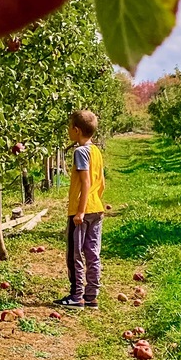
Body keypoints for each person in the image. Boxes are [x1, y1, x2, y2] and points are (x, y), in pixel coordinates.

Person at [55, 109, 106, 309]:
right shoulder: (96, 151)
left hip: (80, 211)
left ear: (76, 130)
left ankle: (76, 296)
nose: (68, 130)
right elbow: (101, 182)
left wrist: (81, 211)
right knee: (93, 252)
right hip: (96, 208)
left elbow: (85, 182)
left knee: (75, 253)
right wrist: (94, 202)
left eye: (70, 127)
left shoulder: (80, 152)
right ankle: (91, 295)